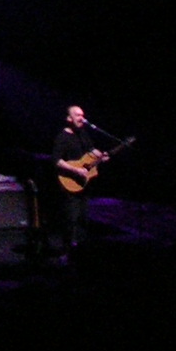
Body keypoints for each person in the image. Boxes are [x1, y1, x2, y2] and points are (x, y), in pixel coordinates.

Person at [52, 104, 108, 256]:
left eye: (82, 115)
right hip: (69, 182)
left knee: (83, 218)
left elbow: (91, 150)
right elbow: (57, 160)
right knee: (71, 218)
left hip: (83, 184)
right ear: (69, 118)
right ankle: (66, 251)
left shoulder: (83, 134)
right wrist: (75, 170)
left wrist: (100, 155)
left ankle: (81, 252)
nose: (82, 118)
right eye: (77, 115)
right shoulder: (62, 137)